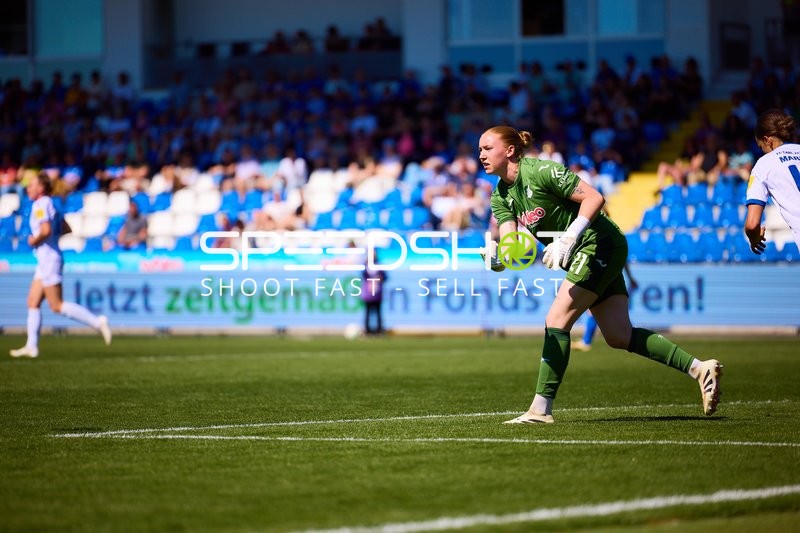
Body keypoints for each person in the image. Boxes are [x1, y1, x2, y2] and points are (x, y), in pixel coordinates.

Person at [479, 126, 722, 423]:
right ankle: (699, 368)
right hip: (586, 251)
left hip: (598, 243)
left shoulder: (542, 171)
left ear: (510, 150)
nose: (482, 155)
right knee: (619, 335)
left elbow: (594, 198)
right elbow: (513, 245)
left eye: (487, 148)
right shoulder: (500, 196)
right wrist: (499, 259)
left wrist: (568, 238)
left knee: (556, 320)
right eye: (480, 150)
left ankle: (540, 410)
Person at [10, 173, 112, 358]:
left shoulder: (40, 204)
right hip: (46, 259)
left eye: (32, 185)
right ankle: (31, 346)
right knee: (32, 301)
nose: (28, 188)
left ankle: (97, 322)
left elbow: (46, 230)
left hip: (48, 259)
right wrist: (51, 238)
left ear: (41, 188)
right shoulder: (51, 204)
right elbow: (66, 228)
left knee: (56, 305)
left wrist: (34, 240)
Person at [745, 109, 800, 253]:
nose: (762, 151)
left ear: (767, 140)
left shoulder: (763, 165)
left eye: (761, 147)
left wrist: (754, 238)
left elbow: (752, 225)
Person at [362, 248, 387, 336]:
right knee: (368, 312)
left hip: (377, 293)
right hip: (368, 293)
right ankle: (367, 330)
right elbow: (363, 275)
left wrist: (380, 278)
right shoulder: (365, 266)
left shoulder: (379, 266)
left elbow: (385, 277)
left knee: (378, 312)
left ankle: (379, 330)